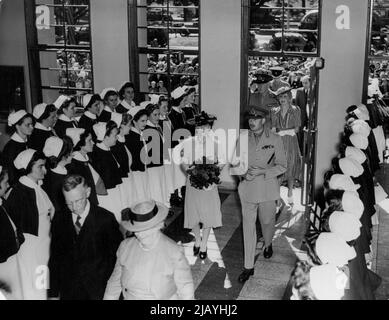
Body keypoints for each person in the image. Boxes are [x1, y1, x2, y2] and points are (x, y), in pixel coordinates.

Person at [233, 107, 287, 283]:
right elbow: (235, 163)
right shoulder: (242, 138)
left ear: (263, 120)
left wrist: (263, 171)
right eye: (250, 117)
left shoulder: (275, 139)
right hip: (247, 188)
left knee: (267, 222)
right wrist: (242, 174)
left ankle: (268, 243)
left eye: (256, 118)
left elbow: (282, 166)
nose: (252, 121)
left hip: (267, 189)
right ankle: (248, 267)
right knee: (248, 228)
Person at [49, 175, 122, 300]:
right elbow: (55, 258)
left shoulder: (105, 219)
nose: (74, 207)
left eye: (78, 201)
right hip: (70, 291)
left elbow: (118, 259)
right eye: (69, 203)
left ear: (88, 192)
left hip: (99, 291)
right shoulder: (59, 219)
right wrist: (52, 294)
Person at [103, 200, 194, 300]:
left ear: (159, 225)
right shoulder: (125, 247)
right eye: (137, 229)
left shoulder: (174, 252)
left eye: (146, 229)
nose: (140, 234)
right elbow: (114, 283)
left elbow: (186, 287)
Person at [5, 149, 55, 299]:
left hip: (43, 246)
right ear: (28, 167)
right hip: (31, 248)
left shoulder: (36, 186)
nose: (45, 171)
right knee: (32, 287)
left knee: (41, 285)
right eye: (40, 166)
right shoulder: (19, 192)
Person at [174, 112, 224, 260]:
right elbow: (183, 162)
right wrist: (189, 171)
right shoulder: (189, 142)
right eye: (199, 128)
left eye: (206, 128)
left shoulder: (216, 143)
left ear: (210, 128)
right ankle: (197, 239)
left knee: (208, 213)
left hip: (209, 184)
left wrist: (213, 173)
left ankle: (204, 244)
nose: (202, 130)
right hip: (193, 183)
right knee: (194, 213)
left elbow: (222, 161)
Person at [270, 86, 303, 204]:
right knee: (278, 168)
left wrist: (282, 131)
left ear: (289, 97)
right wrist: (278, 132)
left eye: (285, 96)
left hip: (291, 142)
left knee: (290, 167)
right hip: (279, 143)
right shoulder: (274, 111)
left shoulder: (295, 109)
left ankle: (290, 191)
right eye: (280, 96)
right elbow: (273, 129)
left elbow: (297, 129)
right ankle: (277, 196)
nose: (282, 99)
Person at [90, 121, 123, 223]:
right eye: (114, 135)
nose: (117, 137)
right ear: (105, 137)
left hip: (114, 192)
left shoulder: (108, 149)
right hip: (107, 196)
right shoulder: (99, 155)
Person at [66, 128, 101, 207]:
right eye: (89, 140)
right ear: (80, 144)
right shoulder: (74, 164)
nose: (93, 143)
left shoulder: (88, 158)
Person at [145, 104, 169, 207]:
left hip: (160, 161)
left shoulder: (157, 126)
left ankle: (163, 205)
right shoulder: (146, 129)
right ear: (148, 116)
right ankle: (158, 207)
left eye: (158, 114)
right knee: (155, 187)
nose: (157, 117)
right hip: (153, 164)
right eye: (154, 115)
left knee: (161, 185)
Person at [1, 110, 34, 186]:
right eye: (27, 125)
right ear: (17, 126)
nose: (31, 127)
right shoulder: (11, 148)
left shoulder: (29, 142)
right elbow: (11, 175)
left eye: (32, 124)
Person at [125, 108, 151, 205]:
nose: (145, 123)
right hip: (136, 172)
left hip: (143, 170)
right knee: (139, 195)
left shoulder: (140, 133)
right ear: (134, 121)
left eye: (146, 120)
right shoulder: (131, 136)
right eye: (142, 121)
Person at [42, 136, 74, 214]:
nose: (73, 155)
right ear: (63, 156)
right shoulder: (55, 180)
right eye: (70, 153)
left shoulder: (62, 171)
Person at [110, 113, 134, 209]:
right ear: (122, 126)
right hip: (123, 181)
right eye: (129, 125)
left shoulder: (125, 139)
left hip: (128, 177)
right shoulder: (116, 145)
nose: (131, 127)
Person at [295, 75, 310, 151]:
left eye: (306, 83)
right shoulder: (299, 91)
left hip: (311, 118)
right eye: (303, 83)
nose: (304, 85)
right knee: (300, 134)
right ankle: (300, 150)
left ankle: (307, 150)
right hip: (301, 117)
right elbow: (296, 105)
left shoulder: (315, 91)